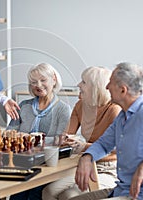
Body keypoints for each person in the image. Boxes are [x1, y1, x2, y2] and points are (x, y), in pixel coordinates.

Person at [71, 62, 143, 200]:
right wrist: (87, 157)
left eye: (110, 83)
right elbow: (104, 144)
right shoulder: (123, 116)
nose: (106, 87)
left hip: (142, 195)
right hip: (121, 190)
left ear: (123, 90)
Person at [42, 66, 121, 200]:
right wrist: (64, 139)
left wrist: (84, 146)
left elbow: (117, 148)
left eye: (83, 82)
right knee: (48, 191)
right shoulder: (80, 105)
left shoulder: (114, 110)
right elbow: (66, 134)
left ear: (95, 87)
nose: (78, 84)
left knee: (69, 195)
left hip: (109, 168)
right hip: (86, 163)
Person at [8, 63, 72, 200]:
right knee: (16, 195)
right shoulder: (24, 106)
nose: (38, 85)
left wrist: (32, 139)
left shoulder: (63, 109)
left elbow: (62, 141)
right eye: (33, 82)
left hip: (47, 165)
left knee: (34, 195)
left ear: (53, 79)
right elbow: (10, 132)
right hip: (21, 164)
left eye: (43, 80)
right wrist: (14, 136)